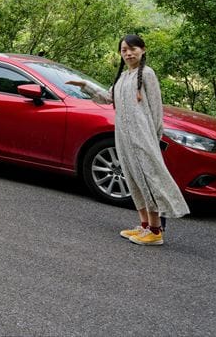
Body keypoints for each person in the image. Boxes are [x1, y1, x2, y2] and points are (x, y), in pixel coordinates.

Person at [67, 34, 188, 246]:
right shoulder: (123, 77)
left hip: (143, 136)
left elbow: (156, 110)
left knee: (147, 178)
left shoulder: (148, 74)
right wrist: (85, 84)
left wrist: (154, 138)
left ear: (143, 50)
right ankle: (144, 226)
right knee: (132, 179)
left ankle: (156, 231)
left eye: (132, 49)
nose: (128, 53)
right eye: (124, 50)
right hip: (123, 135)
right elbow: (107, 98)